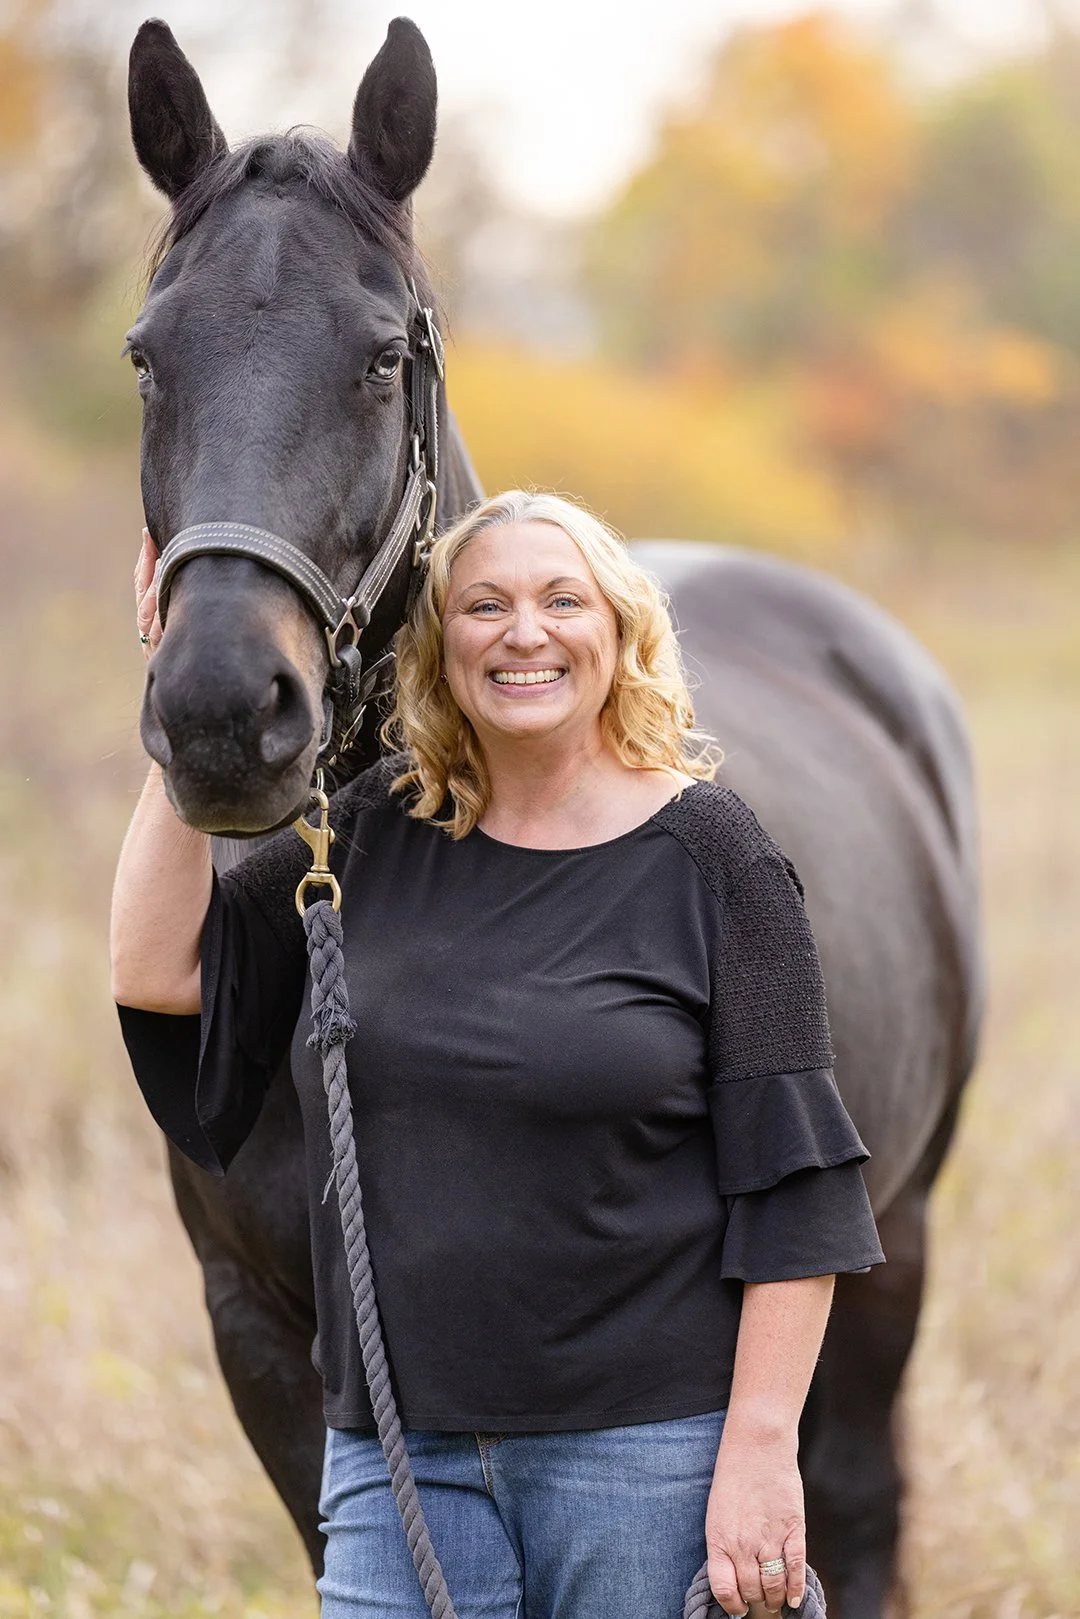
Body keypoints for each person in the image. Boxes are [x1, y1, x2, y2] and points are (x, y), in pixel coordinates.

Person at [111, 490, 884, 1619]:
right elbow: (162, 973)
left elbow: (797, 1187)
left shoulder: (715, 853)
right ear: (440, 645)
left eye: (562, 599)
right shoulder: (371, 827)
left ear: (620, 633)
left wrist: (761, 1452)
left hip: (642, 1463)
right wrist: (182, 694)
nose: (525, 632)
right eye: (485, 604)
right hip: (396, 1459)